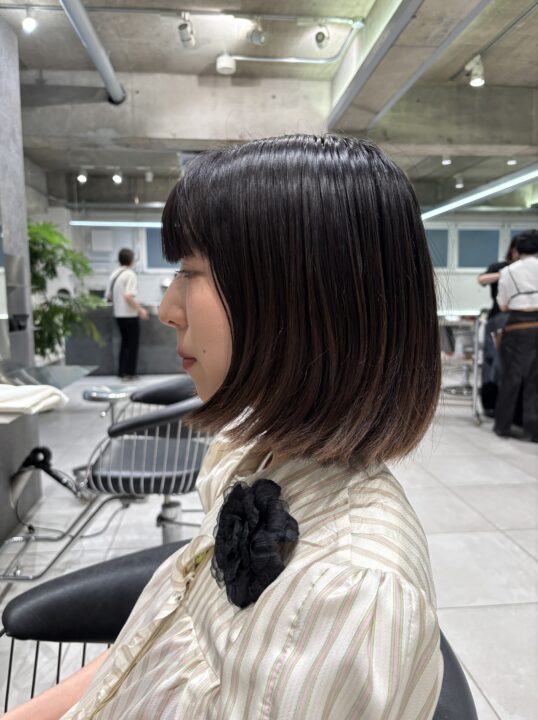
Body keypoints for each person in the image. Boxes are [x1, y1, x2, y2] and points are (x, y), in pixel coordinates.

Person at [7, 135, 443, 719]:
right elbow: (147, 651)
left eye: (190, 272)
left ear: (298, 300)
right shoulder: (255, 458)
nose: (169, 309)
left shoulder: (346, 593)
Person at [494, 229, 538, 440]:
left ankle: (503, 426)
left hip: (517, 327)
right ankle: (533, 430)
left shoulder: (508, 271)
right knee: (535, 381)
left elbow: (503, 306)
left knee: (511, 377)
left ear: (517, 249)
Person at [477, 238, 519, 415]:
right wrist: (506, 274)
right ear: (512, 251)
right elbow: (482, 279)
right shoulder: (500, 267)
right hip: (500, 319)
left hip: (521, 321)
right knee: (494, 360)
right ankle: (491, 403)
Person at [105, 248, 148, 379]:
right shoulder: (130, 274)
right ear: (131, 260)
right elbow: (128, 296)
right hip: (129, 315)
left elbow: (109, 296)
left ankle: (121, 372)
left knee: (124, 344)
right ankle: (130, 373)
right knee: (132, 344)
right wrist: (140, 310)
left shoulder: (114, 274)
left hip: (118, 314)